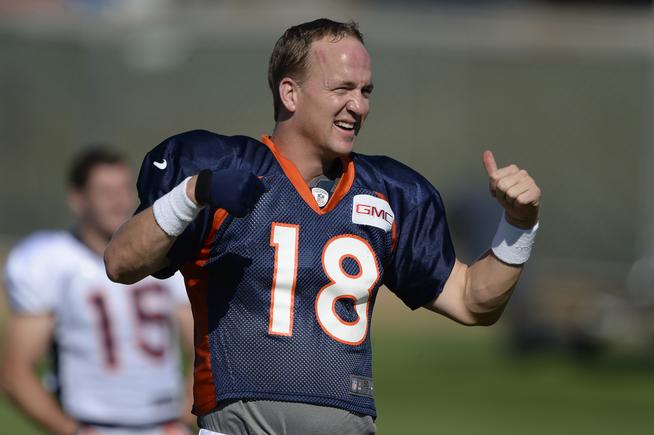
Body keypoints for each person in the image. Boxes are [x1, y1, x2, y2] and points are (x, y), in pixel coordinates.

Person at [104, 19, 541, 435]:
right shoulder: (220, 169)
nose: (360, 105)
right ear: (290, 93)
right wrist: (194, 192)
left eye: (366, 91)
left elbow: (472, 302)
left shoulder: (390, 192)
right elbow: (121, 263)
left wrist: (518, 226)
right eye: (343, 88)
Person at [1, 146, 194, 435]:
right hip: (92, 423)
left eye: (123, 189)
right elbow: (14, 373)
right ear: (78, 200)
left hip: (164, 424)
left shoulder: (166, 254)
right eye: (105, 192)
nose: (118, 202)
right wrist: (70, 430)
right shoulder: (51, 260)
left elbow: (206, 346)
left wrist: (184, 416)